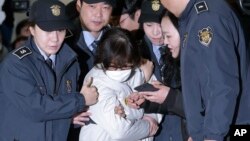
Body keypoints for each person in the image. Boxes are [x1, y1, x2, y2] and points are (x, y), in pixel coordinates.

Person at [0, 0, 98, 141]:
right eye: (47, 30)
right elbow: (37, 109)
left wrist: (68, 118)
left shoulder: (71, 61)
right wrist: (81, 100)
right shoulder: (15, 64)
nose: (55, 38)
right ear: (32, 30)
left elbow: (57, 112)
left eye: (60, 30)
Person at [159, 0, 249, 140]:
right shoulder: (195, 16)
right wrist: (197, 133)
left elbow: (221, 85)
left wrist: (212, 136)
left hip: (229, 130)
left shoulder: (205, 17)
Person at [79, 27, 160, 141]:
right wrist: (148, 127)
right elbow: (120, 131)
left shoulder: (141, 69)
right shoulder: (95, 81)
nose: (120, 71)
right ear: (103, 58)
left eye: (126, 66)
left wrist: (152, 118)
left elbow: (158, 98)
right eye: (114, 67)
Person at [127, 11, 188, 141]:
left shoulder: (187, 50)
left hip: (185, 130)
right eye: (149, 25)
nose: (156, 32)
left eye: (161, 26)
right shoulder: (131, 50)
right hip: (154, 133)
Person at [65, 0, 116, 140]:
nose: (98, 14)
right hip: (72, 130)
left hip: (111, 129)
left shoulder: (118, 41)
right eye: (92, 6)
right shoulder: (62, 40)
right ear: (78, 5)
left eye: (105, 7)